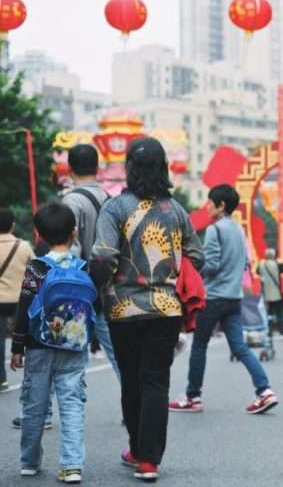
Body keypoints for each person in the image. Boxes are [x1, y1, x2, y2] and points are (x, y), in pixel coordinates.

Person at [90, 137, 204, 481]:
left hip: (123, 311)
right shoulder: (176, 210)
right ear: (163, 168)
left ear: (129, 168)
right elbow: (196, 256)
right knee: (155, 381)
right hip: (166, 310)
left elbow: (103, 257)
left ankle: (137, 449)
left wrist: (99, 287)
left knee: (132, 381)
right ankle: (149, 461)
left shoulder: (115, 208)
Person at [170, 184, 279, 415]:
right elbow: (244, 263)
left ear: (221, 206)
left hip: (213, 297)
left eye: (210, 202)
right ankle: (265, 391)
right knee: (240, 347)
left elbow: (211, 265)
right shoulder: (239, 230)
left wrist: (192, 265)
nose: (207, 206)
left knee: (199, 345)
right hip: (234, 298)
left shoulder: (215, 230)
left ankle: (192, 397)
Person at [10, 203, 93, 484]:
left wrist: (17, 346)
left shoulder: (36, 268)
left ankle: (30, 462)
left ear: (39, 234)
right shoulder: (84, 267)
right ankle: (72, 465)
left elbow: (24, 306)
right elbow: (94, 306)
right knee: (72, 405)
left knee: (34, 405)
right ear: (74, 232)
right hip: (73, 347)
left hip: (38, 346)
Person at [62, 144, 120, 378]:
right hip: (107, 289)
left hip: (79, 291)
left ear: (70, 168)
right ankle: (134, 401)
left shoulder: (71, 202)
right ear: (98, 168)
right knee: (119, 356)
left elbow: (71, 249)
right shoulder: (110, 199)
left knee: (71, 362)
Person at [0, 208, 34, 393]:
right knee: (27, 337)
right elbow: (36, 269)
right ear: (12, 225)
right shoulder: (24, 246)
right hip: (21, 299)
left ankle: (1, 380)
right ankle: (32, 378)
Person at [257, 249, 283, 336]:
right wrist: (279, 262)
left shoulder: (261, 264)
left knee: (268, 314)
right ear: (274, 255)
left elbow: (257, 272)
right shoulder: (277, 264)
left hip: (266, 294)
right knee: (280, 314)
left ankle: (269, 331)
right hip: (277, 294)